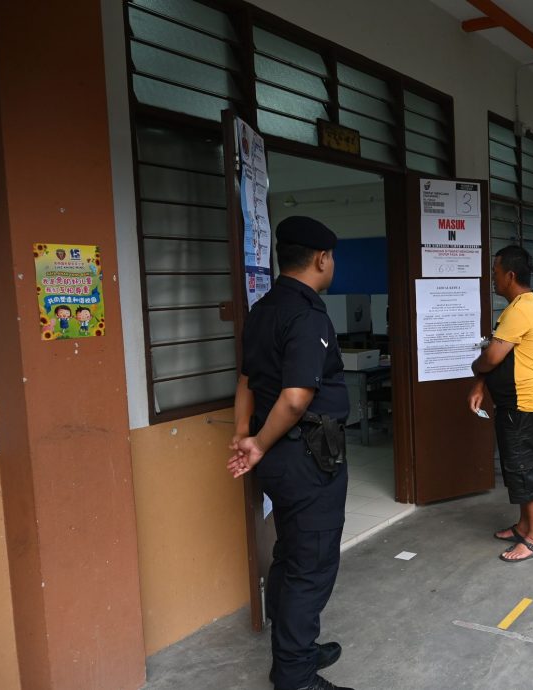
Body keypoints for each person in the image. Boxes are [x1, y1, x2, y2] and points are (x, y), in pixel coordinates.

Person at [227, 216, 353, 690]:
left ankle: (295, 646)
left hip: (278, 456)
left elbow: (245, 381)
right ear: (322, 258)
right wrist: (256, 443)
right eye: (332, 257)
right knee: (312, 564)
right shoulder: (306, 315)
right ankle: (295, 675)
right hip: (306, 457)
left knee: (290, 551)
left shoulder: (263, 309)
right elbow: (297, 397)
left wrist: (247, 435)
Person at [468, 246, 533, 563]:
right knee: (517, 470)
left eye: (495, 272)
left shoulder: (521, 309)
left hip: (525, 404)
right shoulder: (516, 307)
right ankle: (523, 526)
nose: (492, 278)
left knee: (527, 470)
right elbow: (498, 360)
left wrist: (476, 370)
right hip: (513, 404)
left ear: (511, 275)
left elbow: (491, 357)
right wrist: (480, 382)